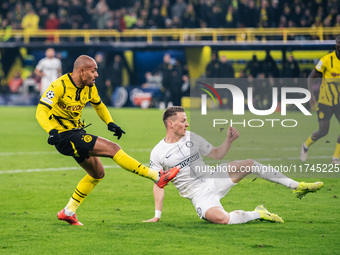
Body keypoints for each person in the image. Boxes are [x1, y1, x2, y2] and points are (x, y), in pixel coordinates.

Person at [36, 55, 180, 226]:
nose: (96, 75)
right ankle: (157, 176)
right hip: (65, 136)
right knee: (113, 149)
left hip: (76, 133)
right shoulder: (58, 86)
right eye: (93, 71)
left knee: (97, 174)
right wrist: (51, 131)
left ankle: (68, 212)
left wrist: (110, 123)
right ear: (82, 71)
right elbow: (41, 110)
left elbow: (99, 105)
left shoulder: (89, 87)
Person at [144, 106, 323, 224]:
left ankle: (296, 186)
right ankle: (258, 213)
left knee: (249, 164)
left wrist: (228, 141)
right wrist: (157, 216)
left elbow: (216, 154)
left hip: (213, 177)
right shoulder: (158, 152)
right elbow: (158, 184)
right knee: (222, 220)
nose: (187, 123)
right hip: (198, 195)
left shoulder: (191, 136)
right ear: (171, 124)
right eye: (183, 120)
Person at [300, 35, 340, 164]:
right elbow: (311, 77)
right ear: (336, 45)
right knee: (323, 131)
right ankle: (306, 145)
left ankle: (335, 157)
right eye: (339, 42)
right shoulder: (327, 60)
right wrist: (311, 95)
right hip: (325, 101)